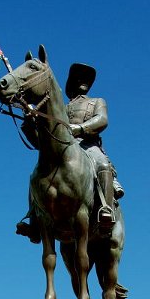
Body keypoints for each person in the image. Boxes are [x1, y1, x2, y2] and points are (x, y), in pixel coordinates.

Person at [16, 62, 124, 242]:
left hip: (88, 145)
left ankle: (105, 209)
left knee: (102, 164)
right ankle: (34, 221)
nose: (84, 81)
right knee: (37, 175)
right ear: (72, 82)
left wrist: (80, 128)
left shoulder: (97, 101)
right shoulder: (61, 108)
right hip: (65, 146)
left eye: (87, 78)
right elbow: (41, 141)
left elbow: (102, 120)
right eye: (80, 77)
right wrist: (29, 123)